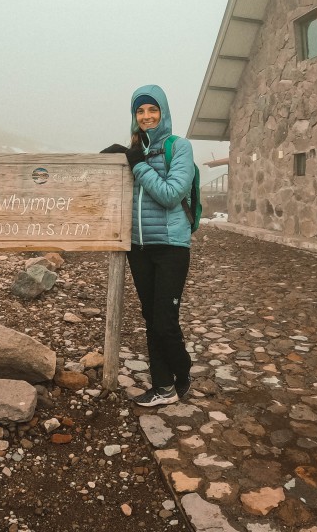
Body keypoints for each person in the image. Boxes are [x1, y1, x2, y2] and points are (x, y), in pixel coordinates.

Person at [103, 84, 195, 407]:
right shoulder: (134, 149)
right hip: (139, 248)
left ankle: (183, 372)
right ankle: (163, 388)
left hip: (171, 246)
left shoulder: (179, 147)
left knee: (165, 321)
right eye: (140, 111)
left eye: (152, 109)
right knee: (150, 318)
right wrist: (115, 161)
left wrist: (139, 165)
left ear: (163, 111)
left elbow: (171, 194)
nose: (146, 116)